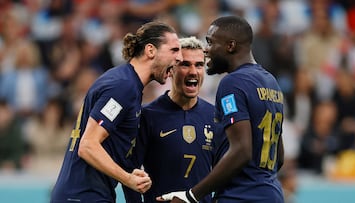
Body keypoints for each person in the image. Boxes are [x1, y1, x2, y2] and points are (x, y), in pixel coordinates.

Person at [50, 21, 183, 203]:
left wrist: (129, 172)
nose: (180, 58)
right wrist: (128, 179)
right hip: (84, 196)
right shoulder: (123, 86)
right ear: (151, 50)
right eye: (174, 50)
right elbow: (88, 145)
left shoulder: (127, 83)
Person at [158, 15, 285, 203]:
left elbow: (242, 150)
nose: (206, 50)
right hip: (272, 193)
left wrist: (191, 196)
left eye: (210, 42)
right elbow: (279, 156)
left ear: (230, 46)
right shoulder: (270, 82)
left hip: (241, 196)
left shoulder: (232, 83)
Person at [125, 36, 226, 203]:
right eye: (185, 64)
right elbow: (130, 171)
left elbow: (224, 173)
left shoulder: (215, 117)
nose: (193, 71)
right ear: (171, 69)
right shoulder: (148, 116)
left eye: (199, 65)